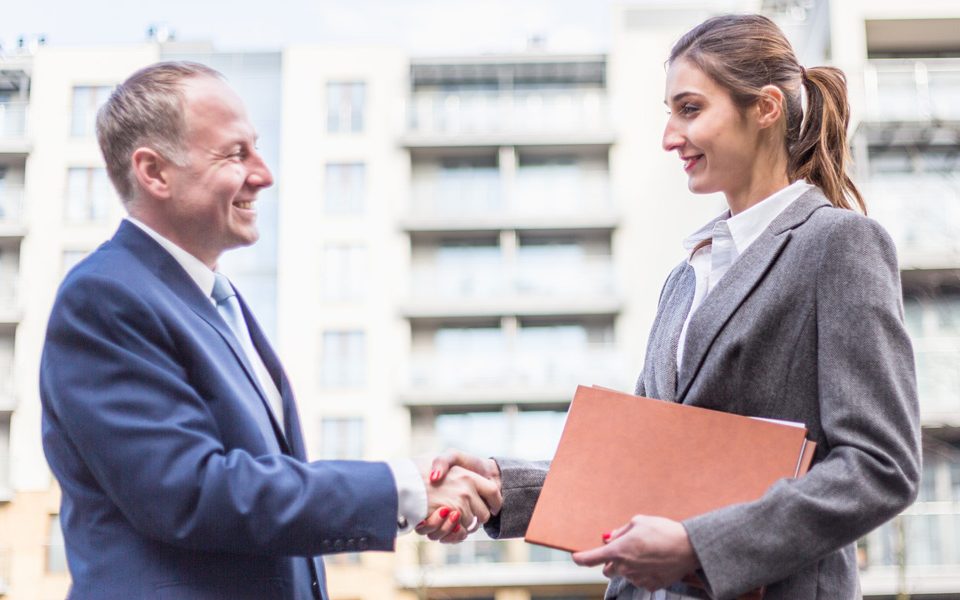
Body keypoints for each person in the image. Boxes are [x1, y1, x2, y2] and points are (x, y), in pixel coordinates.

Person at [422, 14, 921, 599]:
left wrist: (699, 544)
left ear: (763, 107)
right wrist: (505, 488)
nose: (669, 138)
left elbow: (881, 467)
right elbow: (645, 466)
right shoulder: (687, 277)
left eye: (690, 109)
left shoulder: (838, 244)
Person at [39, 61, 500, 600]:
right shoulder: (105, 297)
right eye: (236, 153)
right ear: (154, 172)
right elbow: (191, 494)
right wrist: (401, 490)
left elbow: (260, 498)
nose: (264, 174)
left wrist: (412, 498)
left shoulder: (217, 304)